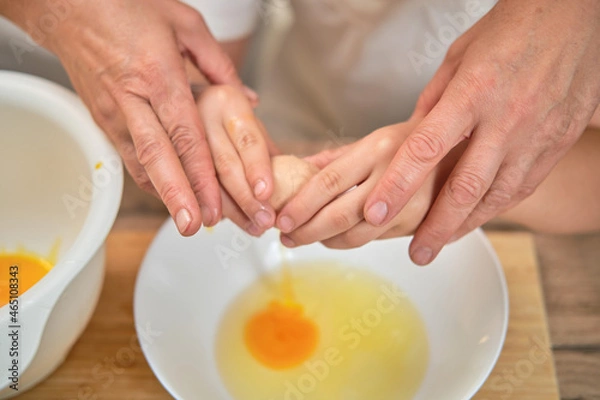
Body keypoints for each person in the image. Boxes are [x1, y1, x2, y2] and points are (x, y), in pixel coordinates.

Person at [2, 0, 599, 265]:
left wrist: (465, 178)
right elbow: (206, 45)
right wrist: (200, 101)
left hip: (519, 225)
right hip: (294, 130)